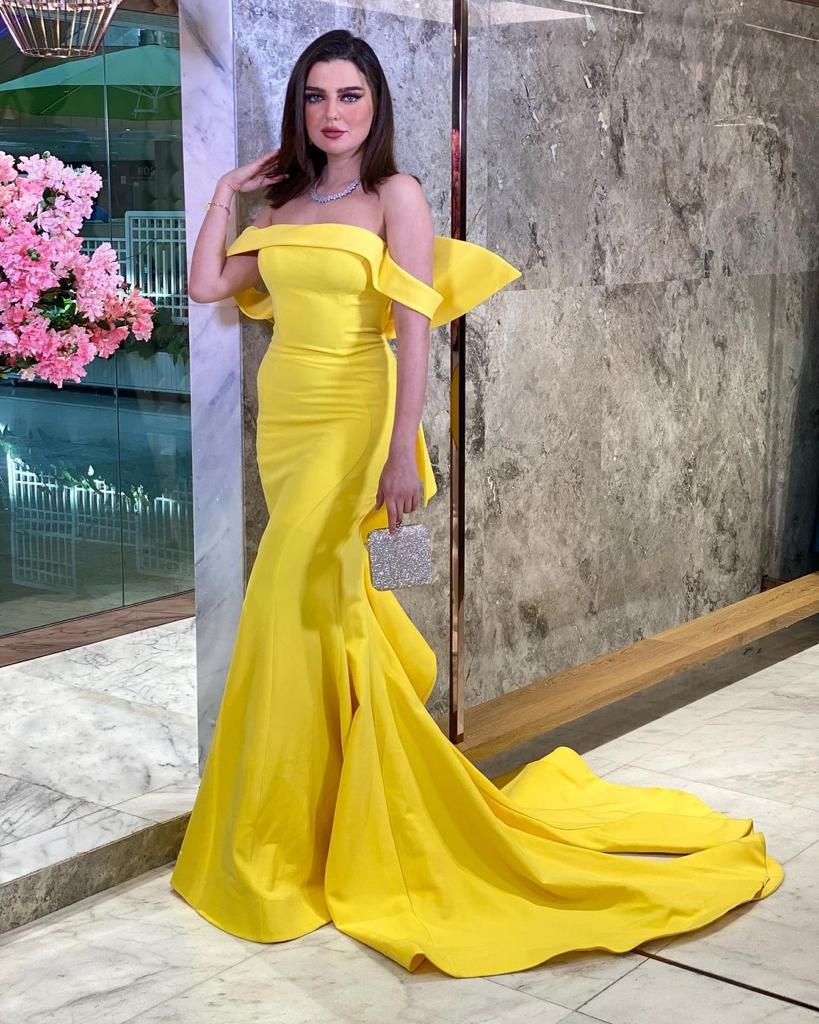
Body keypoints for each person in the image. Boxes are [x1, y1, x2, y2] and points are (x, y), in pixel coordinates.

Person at [169, 28, 784, 978]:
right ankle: (320, 817)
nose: (332, 113)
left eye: (349, 96)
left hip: (355, 418)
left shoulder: (397, 197)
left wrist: (400, 451)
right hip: (285, 420)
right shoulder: (284, 204)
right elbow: (208, 281)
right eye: (316, 97)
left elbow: (415, 331)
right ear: (299, 108)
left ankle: (288, 835)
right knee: (322, 613)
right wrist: (223, 192)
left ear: (376, 107)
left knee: (293, 598)